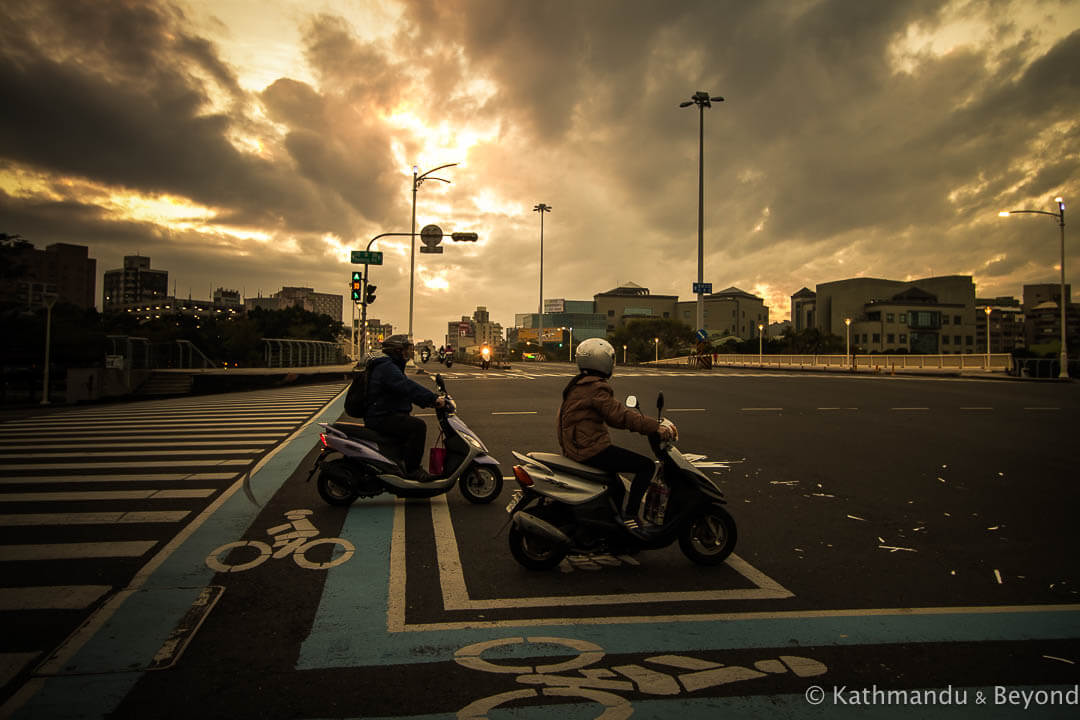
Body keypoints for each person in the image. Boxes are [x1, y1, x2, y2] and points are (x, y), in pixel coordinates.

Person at [557, 338, 676, 533]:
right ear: (602, 361)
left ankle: (611, 526)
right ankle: (630, 517)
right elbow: (619, 416)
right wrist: (654, 426)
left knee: (617, 486)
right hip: (589, 448)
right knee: (645, 467)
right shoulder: (596, 387)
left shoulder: (578, 384)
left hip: (578, 445)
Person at [364, 334, 446, 481]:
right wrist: (433, 399)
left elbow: (405, 390)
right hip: (381, 416)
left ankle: (400, 466)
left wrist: (426, 401)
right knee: (418, 427)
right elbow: (407, 387)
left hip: (383, 413)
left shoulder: (390, 366)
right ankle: (413, 470)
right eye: (405, 350)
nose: (408, 353)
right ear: (397, 351)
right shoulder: (387, 367)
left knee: (407, 423)